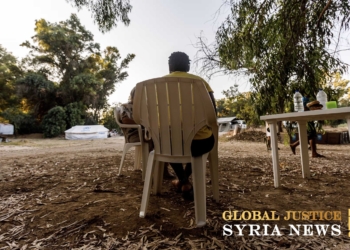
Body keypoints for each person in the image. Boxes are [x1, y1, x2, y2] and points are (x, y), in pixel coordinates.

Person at [164, 51, 217, 200]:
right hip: (200, 143)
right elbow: (213, 112)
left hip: (168, 143)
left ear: (170, 66)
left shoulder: (156, 85)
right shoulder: (200, 82)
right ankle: (184, 181)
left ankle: (182, 180)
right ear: (188, 66)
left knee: (168, 144)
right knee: (200, 144)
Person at [119, 90, 174, 178]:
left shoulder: (146, 107)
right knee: (155, 139)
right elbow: (125, 120)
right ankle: (154, 171)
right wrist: (144, 123)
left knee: (165, 138)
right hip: (134, 134)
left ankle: (162, 169)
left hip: (148, 132)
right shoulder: (125, 106)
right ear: (133, 95)